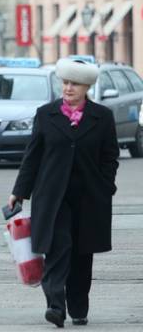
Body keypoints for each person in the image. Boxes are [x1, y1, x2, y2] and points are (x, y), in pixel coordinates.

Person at [8, 58, 119, 328]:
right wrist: (19, 191)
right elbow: (32, 157)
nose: (68, 88)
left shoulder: (102, 117)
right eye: (66, 82)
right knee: (59, 249)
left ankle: (79, 308)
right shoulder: (46, 114)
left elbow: (110, 157)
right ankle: (55, 306)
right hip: (52, 197)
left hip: (89, 198)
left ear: (87, 86)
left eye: (75, 84)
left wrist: (106, 187)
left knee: (82, 253)